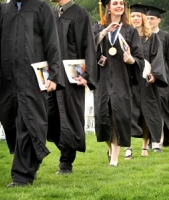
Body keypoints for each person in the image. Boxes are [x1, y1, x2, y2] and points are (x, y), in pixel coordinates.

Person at [0, 0, 64, 187]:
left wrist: (55, 75)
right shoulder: (1, 10)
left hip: (33, 77)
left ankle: (22, 175)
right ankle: (31, 160)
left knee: (28, 121)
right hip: (7, 78)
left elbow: (52, 42)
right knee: (9, 118)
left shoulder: (41, 8)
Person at [47, 0, 97, 175]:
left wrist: (87, 75)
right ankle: (64, 148)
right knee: (48, 116)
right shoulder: (51, 13)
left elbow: (89, 46)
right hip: (51, 76)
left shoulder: (80, 14)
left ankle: (66, 163)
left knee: (69, 118)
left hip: (72, 77)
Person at [92, 0, 144, 167]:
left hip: (122, 80)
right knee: (102, 118)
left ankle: (114, 159)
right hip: (102, 79)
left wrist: (130, 60)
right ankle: (110, 148)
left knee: (117, 118)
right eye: (115, 3)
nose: (119, 6)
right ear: (107, 7)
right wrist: (104, 32)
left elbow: (139, 58)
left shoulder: (130, 31)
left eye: (121, 3)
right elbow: (88, 49)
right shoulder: (98, 28)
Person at [125, 4, 167, 158]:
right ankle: (127, 147)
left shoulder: (152, 37)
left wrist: (155, 74)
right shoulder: (125, 35)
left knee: (147, 113)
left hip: (147, 80)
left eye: (138, 16)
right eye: (133, 16)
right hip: (129, 80)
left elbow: (158, 57)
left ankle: (145, 147)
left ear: (143, 18)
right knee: (128, 113)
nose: (135, 18)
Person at [146, 6, 169, 151]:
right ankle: (150, 140)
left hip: (162, 78)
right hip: (146, 77)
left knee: (161, 109)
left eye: (152, 18)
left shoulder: (165, 36)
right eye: (147, 18)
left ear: (159, 20)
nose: (149, 21)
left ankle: (159, 140)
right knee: (148, 110)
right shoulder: (142, 35)